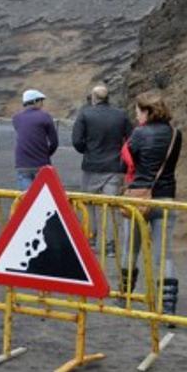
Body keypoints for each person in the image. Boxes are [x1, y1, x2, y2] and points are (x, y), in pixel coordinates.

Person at [120, 91, 182, 317]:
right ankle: (167, 307)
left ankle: (125, 296)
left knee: (130, 249)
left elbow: (125, 165)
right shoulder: (176, 134)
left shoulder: (138, 134)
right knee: (164, 255)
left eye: (138, 111)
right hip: (165, 198)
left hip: (138, 198)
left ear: (146, 111)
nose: (136, 116)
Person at [71, 84, 132, 253]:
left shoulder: (85, 114)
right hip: (114, 167)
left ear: (93, 97)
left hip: (92, 166)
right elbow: (131, 139)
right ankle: (111, 245)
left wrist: (87, 150)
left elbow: (76, 141)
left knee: (88, 204)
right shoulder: (121, 115)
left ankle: (91, 240)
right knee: (110, 206)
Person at [12, 89, 58, 190]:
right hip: (41, 163)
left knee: (27, 199)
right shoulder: (45, 116)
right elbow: (54, 142)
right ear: (34, 101)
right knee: (44, 197)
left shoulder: (16, 118)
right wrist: (46, 154)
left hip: (22, 163)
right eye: (41, 101)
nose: (42, 104)